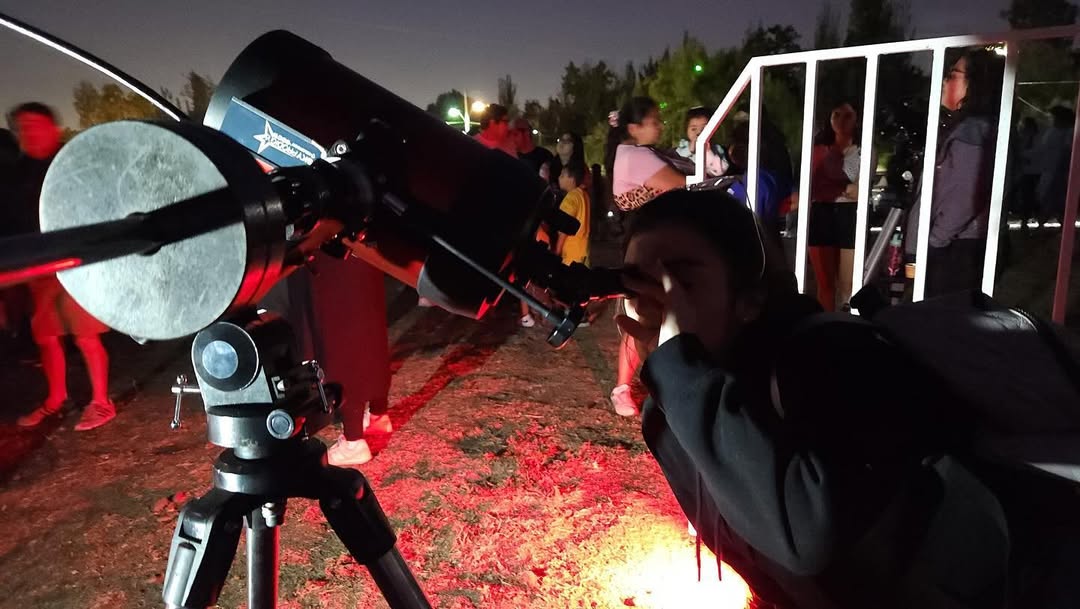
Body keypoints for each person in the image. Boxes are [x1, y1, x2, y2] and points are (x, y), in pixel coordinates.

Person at [615, 188, 1070, 609]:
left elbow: (801, 536)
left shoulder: (839, 359)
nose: (658, 302)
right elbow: (756, 553)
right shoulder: (674, 404)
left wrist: (682, 369)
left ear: (749, 299)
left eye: (681, 283)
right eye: (641, 285)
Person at [9, 103, 117, 430]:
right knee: (46, 337)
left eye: (36, 126)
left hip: (75, 263)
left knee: (85, 335)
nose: (29, 133)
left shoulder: (72, 162)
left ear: (53, 129)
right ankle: (56, 399)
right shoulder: (17, 173)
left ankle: (101, 402)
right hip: (38, 267)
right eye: (22, 128)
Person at [263, 248, 393, 466]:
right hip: (360, 246)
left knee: (337, 336)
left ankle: (353, 441)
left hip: (327, 250)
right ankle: (378, 413)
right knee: (367, 319)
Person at [604, 96, 687, 416]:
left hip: (642, 241)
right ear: (633, 128)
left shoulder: (631, 153)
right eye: (654, 121)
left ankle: (626, 387)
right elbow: (680, 184)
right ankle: (639, 387)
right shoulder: (637, 156)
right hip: (648, 245)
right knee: (645, 315)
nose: (660, 126)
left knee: (644, 313)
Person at [906, 48, 1004, 298]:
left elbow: (966, 196)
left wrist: (935, 240)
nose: (944, 81)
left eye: (953, 75)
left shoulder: (973, 131)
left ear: (976, 84)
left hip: (954, 250)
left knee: (942, 315)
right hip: (955, 246)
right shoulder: (974, 128)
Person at [808, 101, 861, 312]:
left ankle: (848, 324)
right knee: (825, 285)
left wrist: (829, 186)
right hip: (822, 213)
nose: (840, 121)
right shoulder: (819, 150)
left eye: (847, 116)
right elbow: (813, 186)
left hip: (849, 216)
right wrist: (844, 189)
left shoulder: (863, 150)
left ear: (857, 119)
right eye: (836, 114)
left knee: (849, 286)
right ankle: (827, 324)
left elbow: (858, 189)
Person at [1034, 106, 1074, 224]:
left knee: (1056, 199)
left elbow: (1067, 151)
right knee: (1045, 197)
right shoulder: (1052, 131)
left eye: (1053, 117)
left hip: (1058, 171)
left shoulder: (1068, 132)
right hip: (1048, 169)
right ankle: (1044, 223)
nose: (1050, 119)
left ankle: (1061, 224)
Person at [673, 106, 727, 177]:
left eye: (704, 128)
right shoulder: (683, 146)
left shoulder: (717, 148)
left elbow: (720, 171)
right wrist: (690, 149)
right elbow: (676, 161)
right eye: (693, 129)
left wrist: (708, 152)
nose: (699, 133)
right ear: (686, 131)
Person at [554, 162, 591, 267]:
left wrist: (557, 252)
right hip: (583, 250)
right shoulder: (583, 195)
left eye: (562, 175)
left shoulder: (571, 197)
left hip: (570, 255)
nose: (559, 178)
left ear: (572, 179)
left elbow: (564, 228)